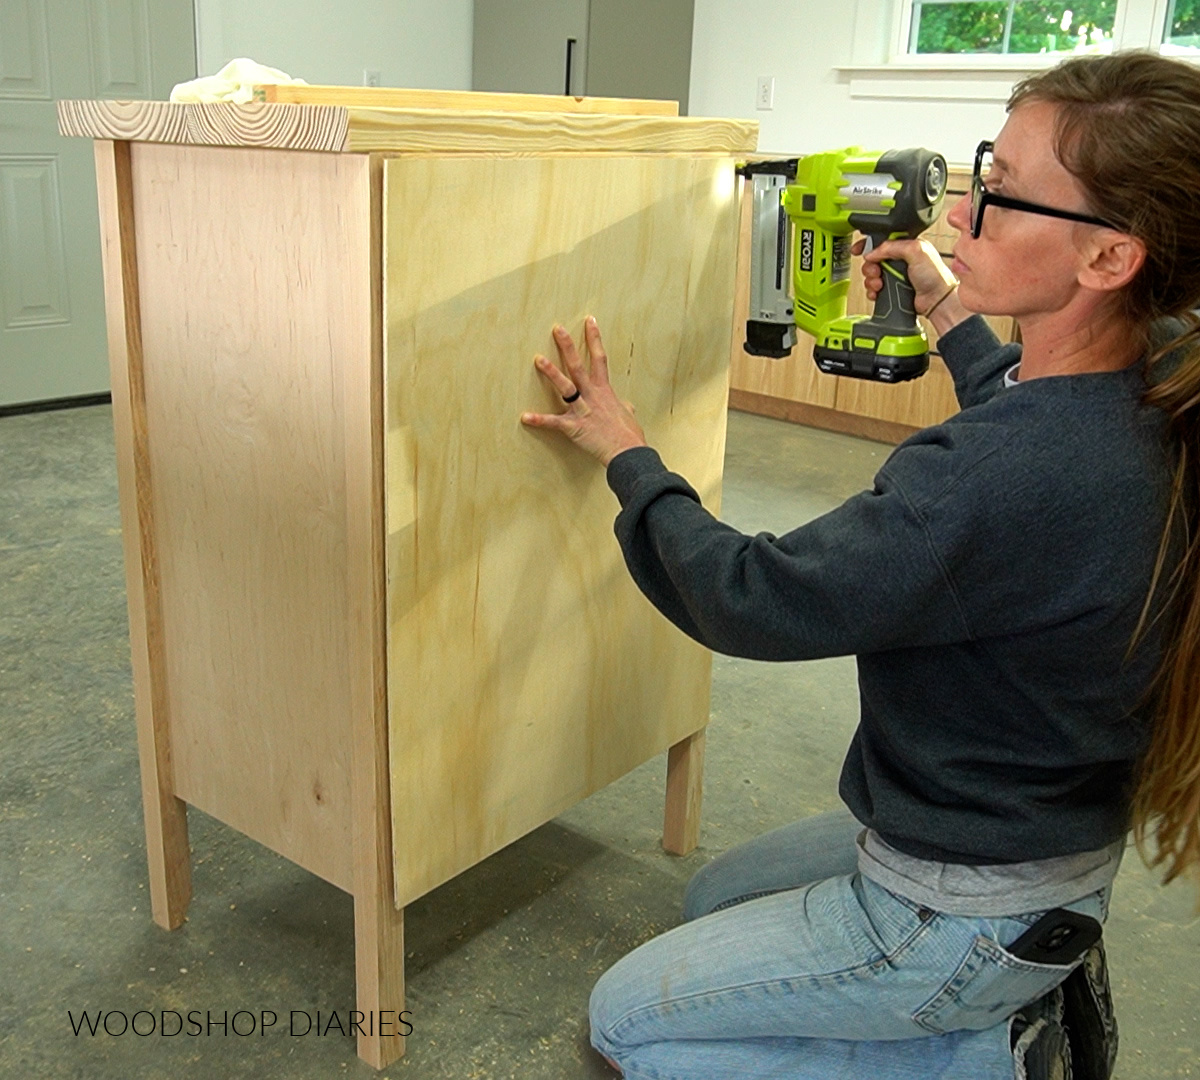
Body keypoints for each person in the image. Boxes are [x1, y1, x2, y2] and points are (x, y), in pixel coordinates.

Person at [520, 50, 1200, 1080]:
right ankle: (973, 999)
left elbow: (755, 598)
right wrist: (944, 309)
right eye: (983, 170)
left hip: (956, 903)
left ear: (1109, 260)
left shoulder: (992, 478)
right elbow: (1033, 423)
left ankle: (984, 1055)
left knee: (627, 1025)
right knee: (717, 898)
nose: (964, 216)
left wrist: (629, 454)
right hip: (1040, 852)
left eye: (1004, 198)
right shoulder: (1158, 380)